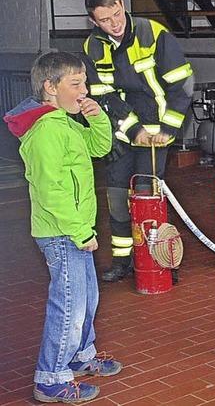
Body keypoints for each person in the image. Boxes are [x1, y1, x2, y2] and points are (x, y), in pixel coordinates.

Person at [3, 52, 122, 404]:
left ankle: (81, 356)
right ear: (50, 87)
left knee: (87, 299)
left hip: (75, 229)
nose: (84, 91)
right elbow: (50, 190)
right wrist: (79, 231)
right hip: (61, 232)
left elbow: (100, 147)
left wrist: (97, 118)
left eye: (84, 82)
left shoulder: (64, 122)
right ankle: (51, 378)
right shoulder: (45, 131)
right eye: (76, 84)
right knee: (69, 305)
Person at [82, 0, 194, 283]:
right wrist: (132, 129)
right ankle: (123, 261)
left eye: (116, 14)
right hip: (121, 134)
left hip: (157, 136)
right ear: (94, 22)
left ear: (121, 4)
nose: (114, 23)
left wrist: (167, 129)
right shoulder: (92, 47)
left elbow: (182, 86)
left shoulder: (153, 34)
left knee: (148, 198)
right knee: (118, 197)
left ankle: (160, 260)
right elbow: (103, 96)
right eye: (105, 20)